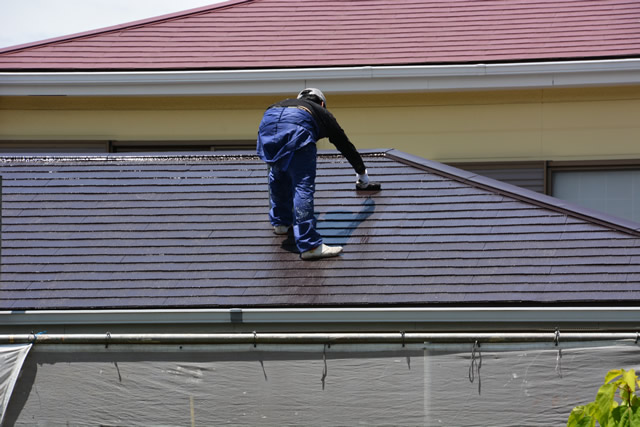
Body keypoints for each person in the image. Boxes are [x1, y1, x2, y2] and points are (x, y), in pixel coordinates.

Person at [256, 88, 373, 260]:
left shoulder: (286, 103)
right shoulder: (320, 112)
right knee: (302, 184)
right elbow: (344, 145)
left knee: (278, 173)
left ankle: (281, 222)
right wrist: (362, 173)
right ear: (322, 104)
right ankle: (309, 245)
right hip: (297, 124)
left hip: (268, 121)